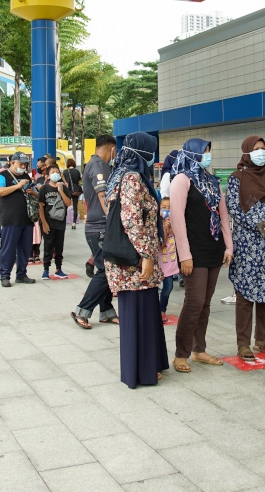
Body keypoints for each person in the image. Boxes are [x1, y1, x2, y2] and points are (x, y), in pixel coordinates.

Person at [104, 132, 169, 388]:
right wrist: (146, 256)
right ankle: (141, 371)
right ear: (142, 152)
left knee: (145, 310)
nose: (152, 156)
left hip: (135, 257)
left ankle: (149, 365)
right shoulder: (131, 177)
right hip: (134, 260)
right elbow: (131, 220)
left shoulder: (124, 174)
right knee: (138, 313)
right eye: (150, 151)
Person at [169, 138, 233, 372]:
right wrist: (184, 255)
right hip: (192, 250)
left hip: (214, 247)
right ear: (192, 154)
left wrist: (229, 247)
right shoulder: (182, 180)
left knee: (205, 303)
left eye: (208, 151)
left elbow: (223, 215)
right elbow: (177, 219)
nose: (207, 155)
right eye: (203, 152)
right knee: (194, 302)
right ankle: (181, 354)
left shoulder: (212, 181)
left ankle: (199, 350)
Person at [225, 136, 265, 361]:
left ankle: (262, 339)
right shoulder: (237, 178)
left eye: (263, 148)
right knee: (245, 294)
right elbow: (234, 208)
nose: (261, 152)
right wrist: (263, 226)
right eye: (256, 149)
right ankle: (243, 343)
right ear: (246, 152)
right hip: (247, 245)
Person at [71, 135, 119, 328]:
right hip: (100, 227)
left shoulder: (96, 164)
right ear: (112, 148)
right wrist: (112, 220)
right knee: (106, 270)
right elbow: (102, 195)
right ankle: (82, 311)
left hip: (98, 226)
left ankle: (106, 311)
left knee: (107, 269)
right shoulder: (99, 165)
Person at [0, 152, 37, 287]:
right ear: (12, 162)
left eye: (25, 164)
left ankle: (21, 274)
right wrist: (17, 186)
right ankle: (5, 275)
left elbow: (34, 194)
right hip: (10, 218)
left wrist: (33, 191)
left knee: (25, 249)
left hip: (26, 217)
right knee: (8, 248)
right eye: (20, 164)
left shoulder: (26, 176)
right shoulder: (2, 176)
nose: (23, 167)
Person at [38, 163, 70, 279]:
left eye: (57, 172)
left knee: (59, 247)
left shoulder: (64, 188)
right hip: (49, 222)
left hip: (60, 223)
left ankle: (58, 269)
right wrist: (44, 223)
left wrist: (60, 190)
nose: (55, 174)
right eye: (53, 172)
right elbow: (40, 206)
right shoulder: (44, 189)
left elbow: (68, 203)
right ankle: (46, 270)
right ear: (47, 176)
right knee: (48, 246)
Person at [158, 197, 179, 319]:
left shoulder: (176, 222)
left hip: (174, 262)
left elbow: (179, 239)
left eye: (170, 208)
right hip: (162, 263)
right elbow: (161, 244)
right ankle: (160, 310)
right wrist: (165, 229)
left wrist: (170, 228)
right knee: (165, 287)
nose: (167, 210)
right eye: (164, 208)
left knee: (169, 286)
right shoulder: (157, 224)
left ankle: (162, 310)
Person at [64, 158, 83, 229]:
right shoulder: (77, 171)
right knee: (75, 207)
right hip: (75, 191)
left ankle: (64, 222)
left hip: (67, 191)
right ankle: (74, 223)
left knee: (65, 206)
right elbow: (78, 181)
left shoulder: (65, 172)